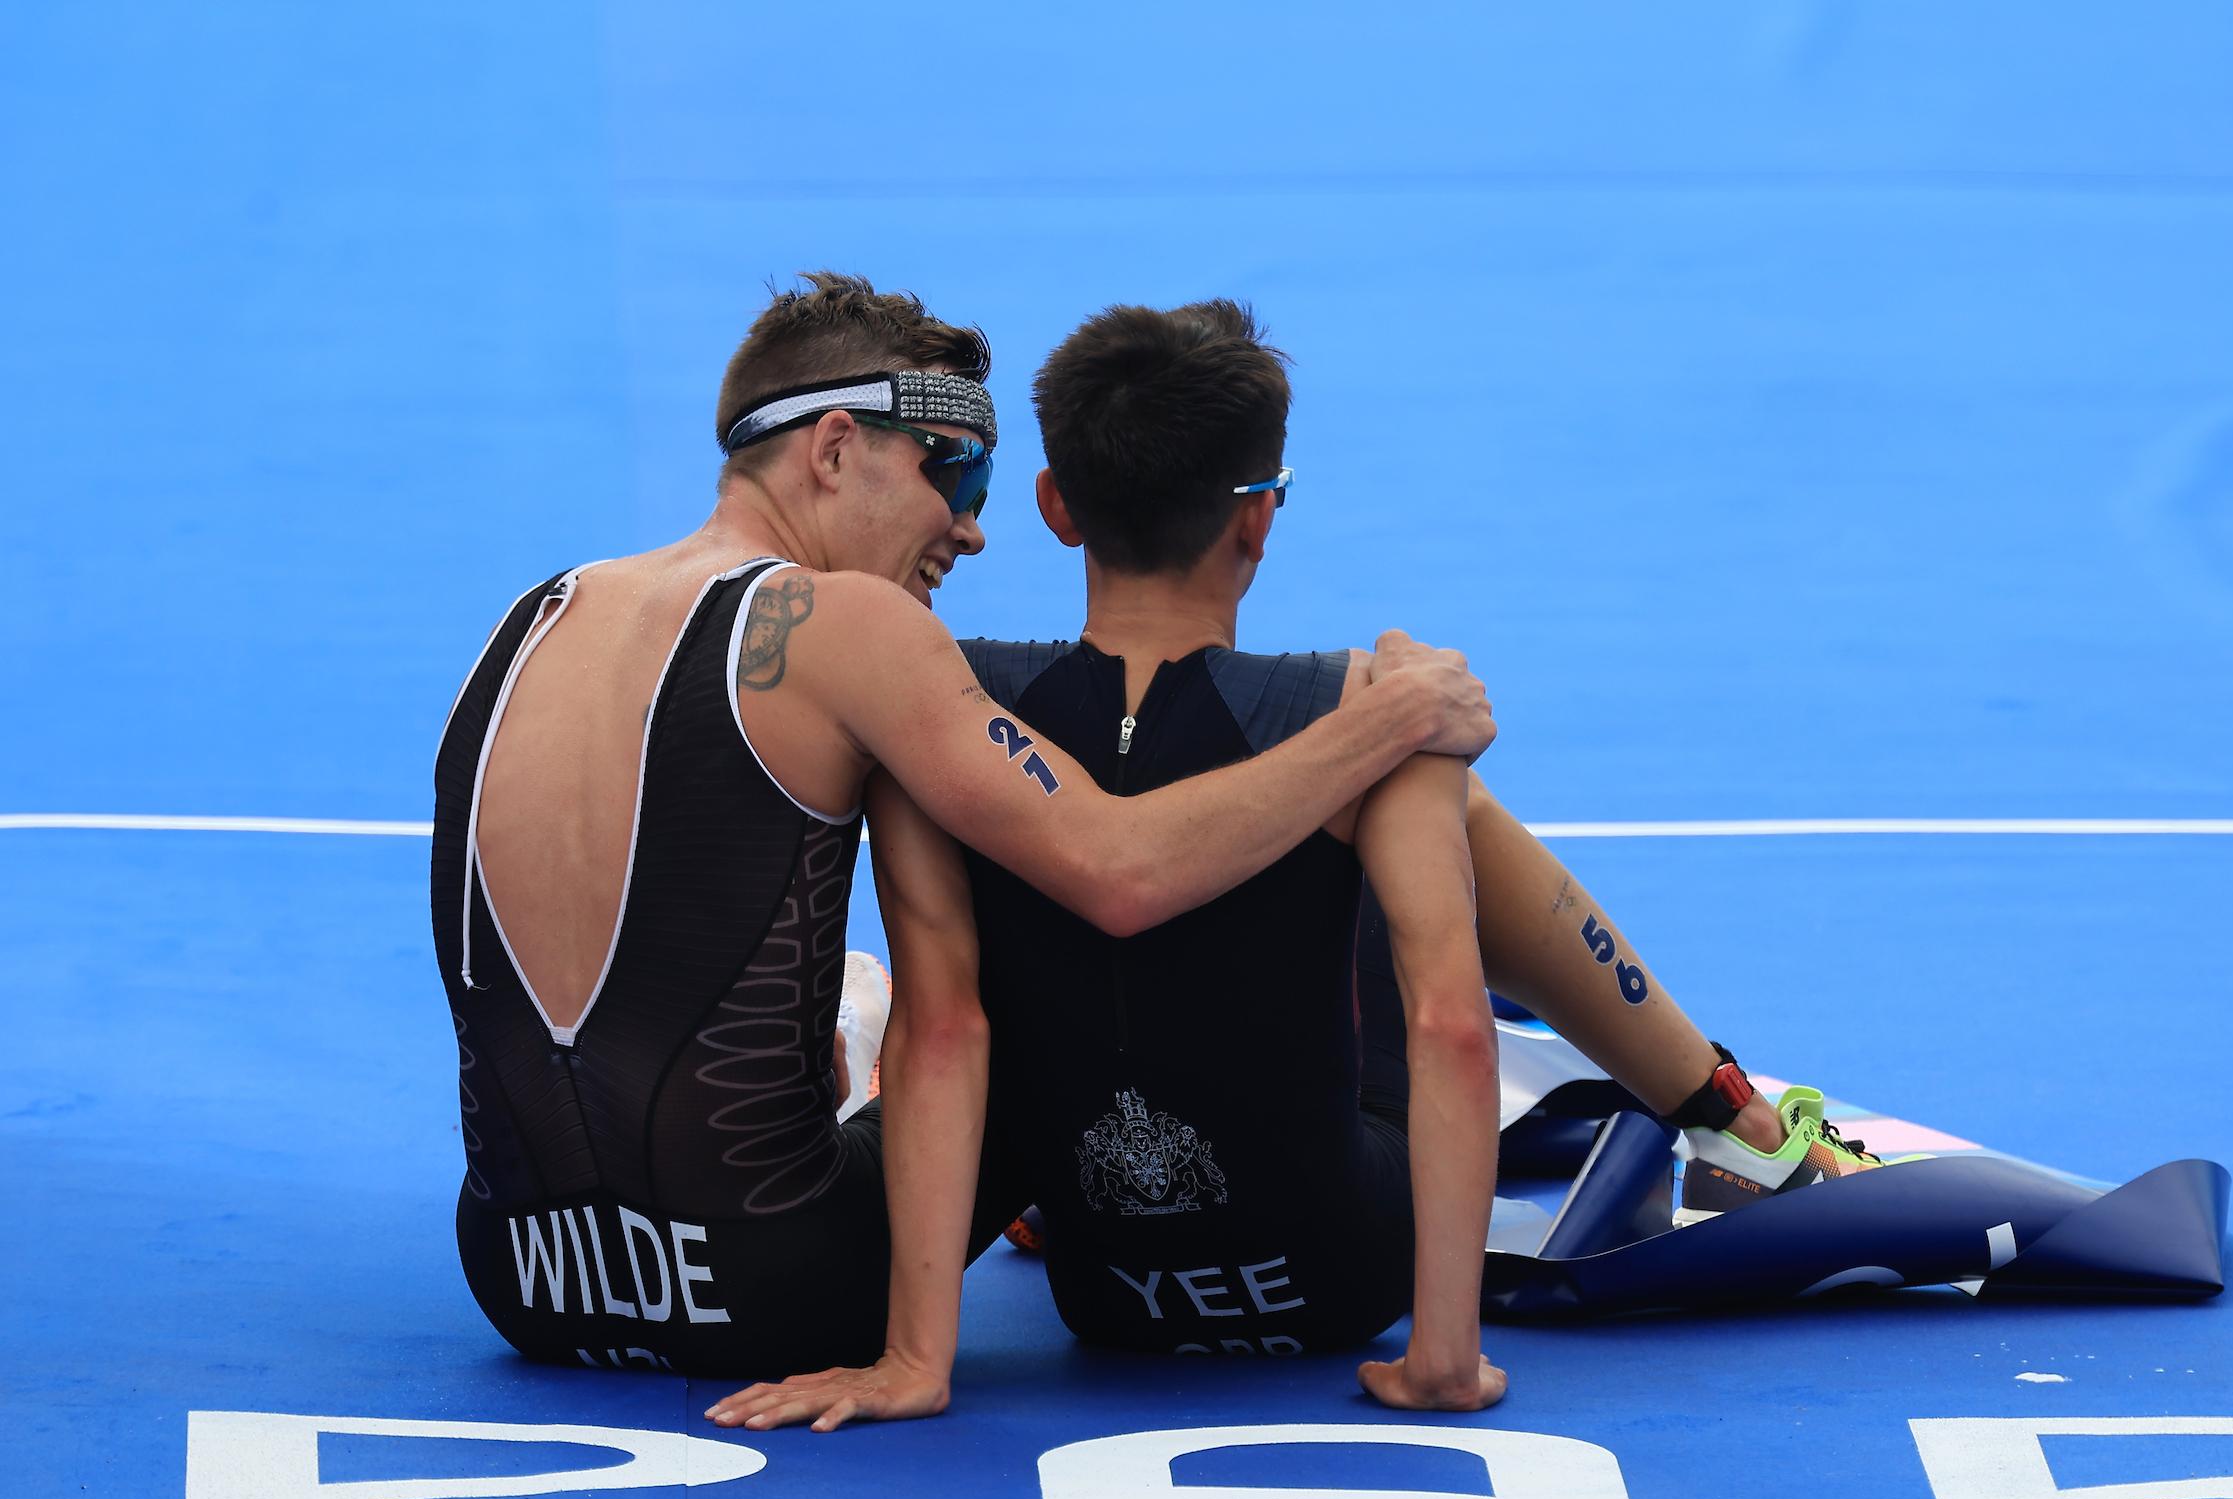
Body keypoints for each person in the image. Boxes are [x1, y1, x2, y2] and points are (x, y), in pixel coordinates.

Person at [706, 301, 1892, 1430]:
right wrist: (1444, 1354)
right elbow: (1452, 1029)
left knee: (987, 961)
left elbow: (947, 1030)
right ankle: (1724, 1111)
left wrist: (921, 1354)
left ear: (1057, 507)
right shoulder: (1363, 700)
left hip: (1106, 1289)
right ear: (1259, 516)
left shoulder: (949, 695)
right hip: (1337, 1276)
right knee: (1408, 778)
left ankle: (1030, 1170)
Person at [430, 274, 1494, 1381]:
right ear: (834, 448)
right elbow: (1117, 868)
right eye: (953, 470)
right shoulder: (846, 624)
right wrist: (1391, 723)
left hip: (521, 1276)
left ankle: (849, 1032)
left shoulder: (536, 617)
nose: (972, 527)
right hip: (779, 1282)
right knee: (1026, 995)